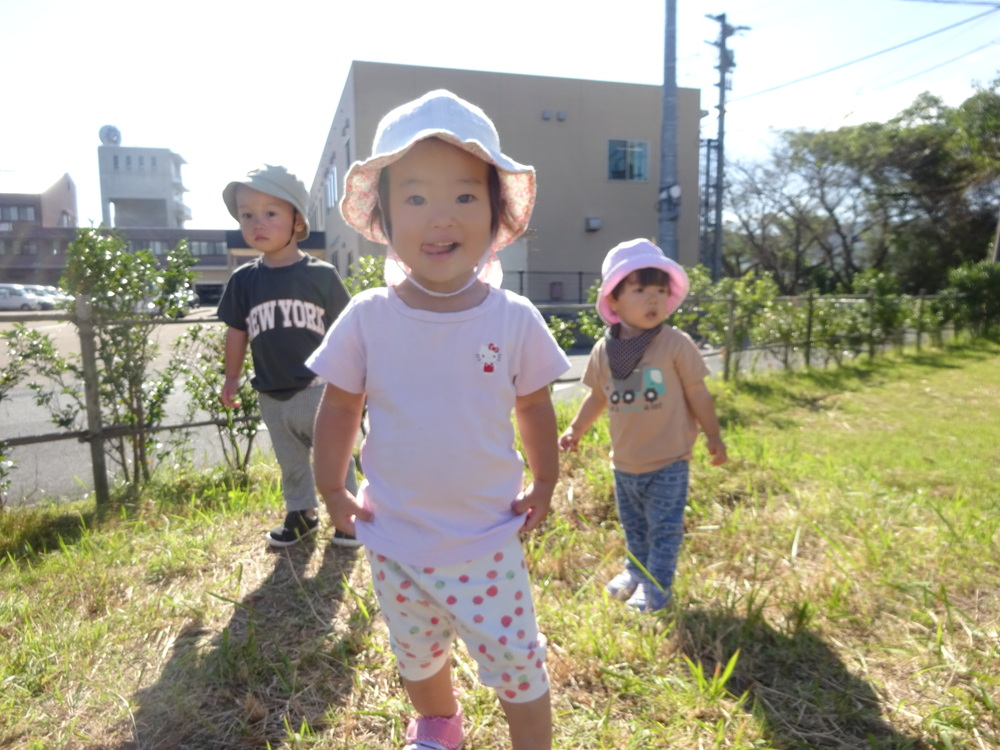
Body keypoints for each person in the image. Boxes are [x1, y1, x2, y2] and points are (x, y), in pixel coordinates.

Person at [307, 90, 570, 750]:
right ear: (385, 218)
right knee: (416, 653)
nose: (440, 217)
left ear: (496, 213)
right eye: (416, 198)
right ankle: (437, 723)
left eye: (463, 196)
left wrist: (544, 483)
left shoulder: (512, 318)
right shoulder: (368, 316)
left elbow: (534, 405)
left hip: (485, 539)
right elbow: (339, 406)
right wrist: (333, 488)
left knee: (516, 662)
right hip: (394, 535)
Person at [559, 238, 728, 613]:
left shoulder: (674, 344)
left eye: (660, 291)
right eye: (640, 290)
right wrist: (575, 429)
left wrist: (713, 436)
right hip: (625, 463)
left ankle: (655, 586)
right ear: (614, 300)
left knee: (664, 529)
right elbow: (597, 397)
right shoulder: (605, 350)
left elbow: (698, 393)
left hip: (669, 459)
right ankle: (635, 572)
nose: (653, 300)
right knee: (634, 528)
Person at [217, 164, 361, 548]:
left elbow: (345, 330)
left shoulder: (321, 275)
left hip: (319, 388)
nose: (257, 223)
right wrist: (232, 377)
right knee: (291, 461)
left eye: (270, 213)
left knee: (336, 454)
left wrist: (358, 379)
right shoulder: (244, 280)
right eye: (247, 215)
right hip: (270, 392)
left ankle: (349, 518)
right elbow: (237, 330)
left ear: (297, 221)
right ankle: (302, 514)